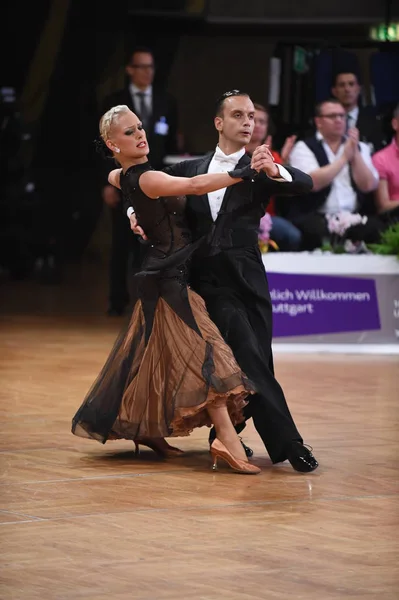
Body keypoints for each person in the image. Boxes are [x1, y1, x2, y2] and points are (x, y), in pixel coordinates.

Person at [127, 90, 319, 473]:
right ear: (219, 123)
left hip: (248, 277)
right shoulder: (190, 168)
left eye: (252, 116)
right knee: (246, 353)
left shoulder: (260, 168)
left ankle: (225, 435)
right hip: (206, 278)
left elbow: (305, 184)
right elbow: (143, 189)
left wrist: (274, 169)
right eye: (238, 115)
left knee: (256, 360)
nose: (248, 122)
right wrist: (135, 213)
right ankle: (289, 443)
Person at [72, 104, 266, 475]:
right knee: (209, 353)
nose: (141, 134)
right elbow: (194, 185)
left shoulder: (124, 175)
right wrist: (244, 172)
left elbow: (119, 182)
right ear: (113, 143)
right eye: (130, 132)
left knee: (153, 356)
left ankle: (147, 431)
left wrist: (132, 214)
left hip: (162, 275)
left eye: (141, 127)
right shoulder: (147, 178)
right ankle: (228, 440)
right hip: (167, 281)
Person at [100, 46, 180, 316]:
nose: (148, 72)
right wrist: (110, 183)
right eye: (142, 67)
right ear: (130, 70)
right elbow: (104, 152)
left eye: (151, 67)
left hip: (154, 180)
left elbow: (171, 143)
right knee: (121, 243)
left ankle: (144, 300)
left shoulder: (166, 100)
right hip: (126, 179)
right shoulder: (113, 102)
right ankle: (116, 300)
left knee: (148, 244)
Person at [287, 98, 381, 250]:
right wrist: (344, 158)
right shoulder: (304, 147)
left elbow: (368, 185)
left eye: (342, 116)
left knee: (376, 229)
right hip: (316, 215)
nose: (338, 120)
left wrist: (355, 153)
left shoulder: (359, 146)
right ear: (318, 122)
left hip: (353, 215)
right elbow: (312, 182)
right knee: (316, 232)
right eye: (332, 116)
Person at [246, 102, 301, 251]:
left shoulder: (274, 156)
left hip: (267, 217)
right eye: (253, 120)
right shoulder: (233, 152)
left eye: (262, 122)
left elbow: (284, 191)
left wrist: (283, 163)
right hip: (239, 215)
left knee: (293, 236)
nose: (257, 125)